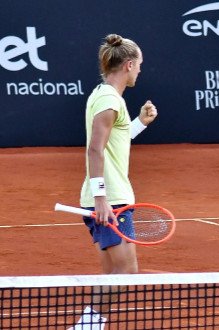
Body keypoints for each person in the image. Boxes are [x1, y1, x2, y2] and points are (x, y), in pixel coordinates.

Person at [70, 34, 158, 330]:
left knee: (110, 273)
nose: (140, 71)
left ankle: (90, 325)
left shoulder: (105, 96)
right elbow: (94, 148)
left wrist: (140, 124)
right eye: (140, 65)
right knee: (127, 270)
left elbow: (113, 143)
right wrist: (101, 198)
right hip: (112, 200)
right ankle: (86, 325)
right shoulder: (109, 100)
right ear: (129, 65)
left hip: (108, 197)